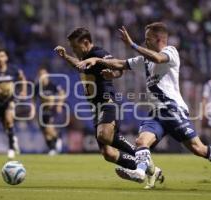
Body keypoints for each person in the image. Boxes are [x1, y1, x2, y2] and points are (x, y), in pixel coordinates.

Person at [77, 22, 211, 191]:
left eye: (147, 39)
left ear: (158, 39)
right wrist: (98, 60)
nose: (145, 42)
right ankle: (140, 172)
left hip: (173, 110)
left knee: (198, 148)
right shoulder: (145, 59)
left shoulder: (171, 52)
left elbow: (157, 58)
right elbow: (120, 64)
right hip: (156, 113)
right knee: (141, 141)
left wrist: (132, 45)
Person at [54, 27, 163, 188]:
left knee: (104, 135)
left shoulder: (99, 53)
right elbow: (79, 66)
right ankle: (150, 169)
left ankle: (142, 157)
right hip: (96, 108)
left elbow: (118, 68)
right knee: (109, 154)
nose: (74, 51)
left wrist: (113, 74)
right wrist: (66, 57)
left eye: (75, 48)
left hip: (108, 102)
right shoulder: (84, 57)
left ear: (85, 42)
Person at [0, 47, 27, 159]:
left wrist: (23, 90)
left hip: (11, 99)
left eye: (2, 56)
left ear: (6, 57)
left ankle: (11, 148)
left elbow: (22, 78)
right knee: (5, 125)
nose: (0, 59)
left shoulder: (13, 69)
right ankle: (13, 138)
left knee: (9, 119)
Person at [34, 67, 65, 155]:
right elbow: (33, 98)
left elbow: (62, 93)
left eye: (44, 74)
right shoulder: (37, 87)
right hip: (42, 110)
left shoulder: (52, 85)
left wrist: (59, 104)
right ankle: (52, 148)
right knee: (44, 132)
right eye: (40, 74)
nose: (42, 76)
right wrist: (32, 109)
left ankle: (58, 138)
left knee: (48, 128)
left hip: (52, 110)